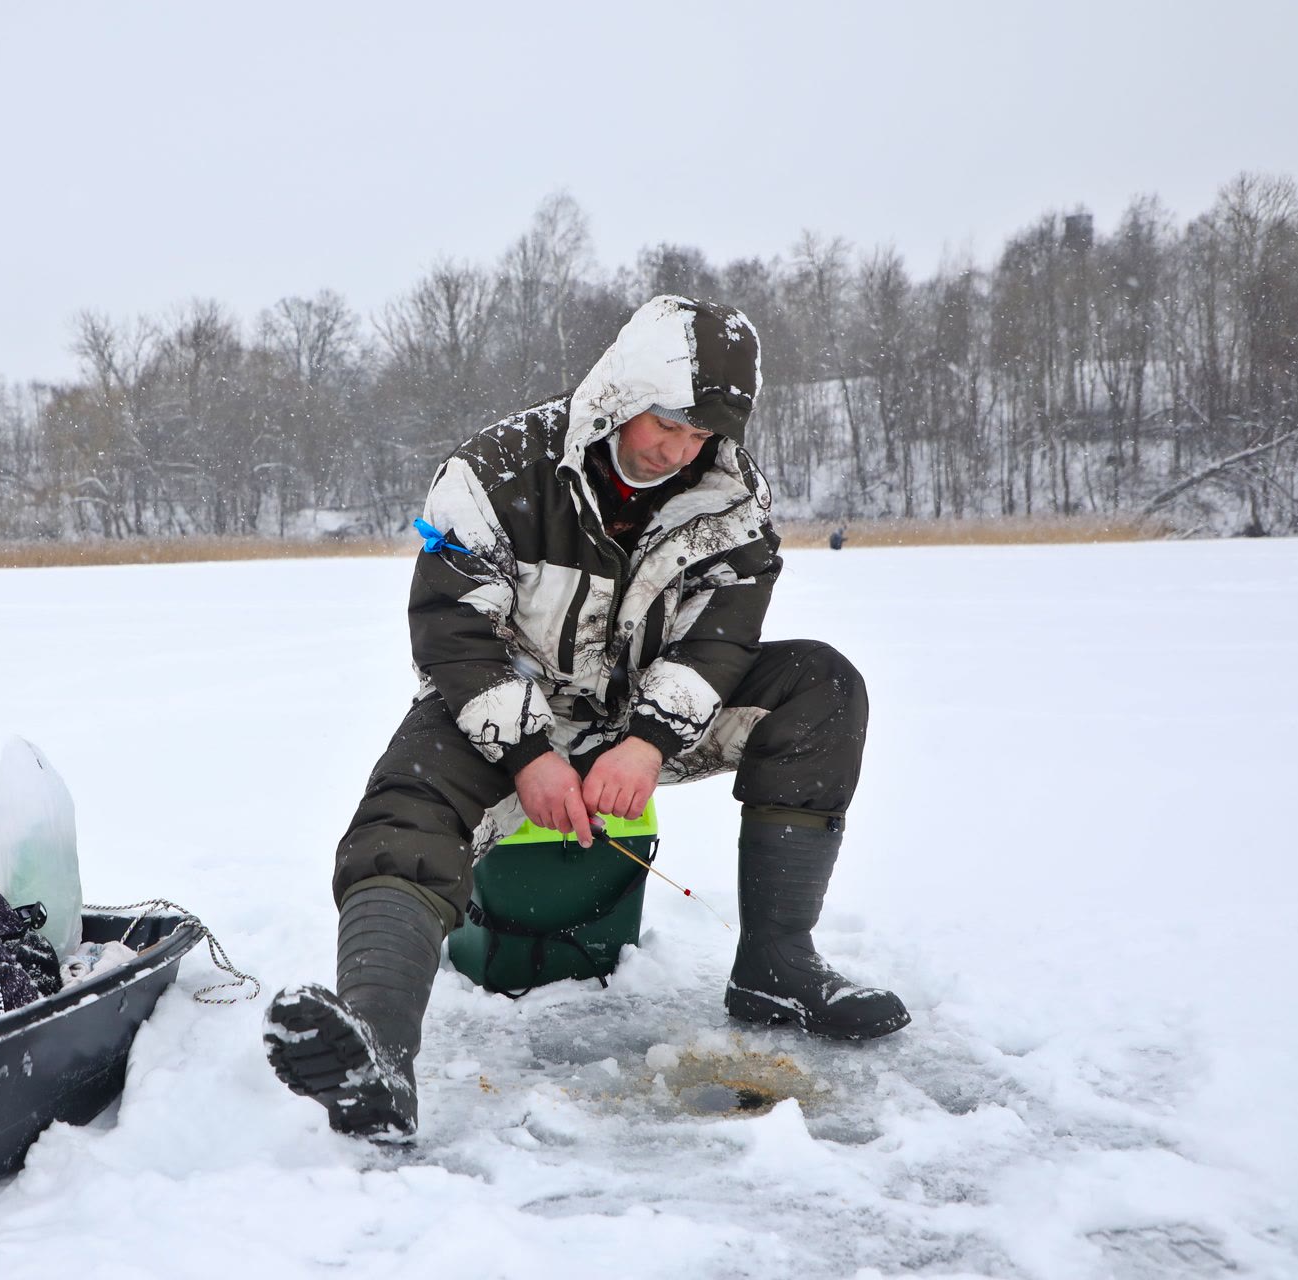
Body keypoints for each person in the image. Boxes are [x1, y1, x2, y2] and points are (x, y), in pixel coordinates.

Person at [265, 295, 908, 1140]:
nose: (677, 452)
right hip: (511, 709)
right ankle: (380, 1054)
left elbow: (722, 641)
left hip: (657, 712)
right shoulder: (495, 472)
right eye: (667, 425)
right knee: (406, 802)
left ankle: (777, 966)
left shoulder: (733, 500)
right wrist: (530, 753)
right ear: (621, 395)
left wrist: (647, 743)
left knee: (822, 684)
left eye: (700, 438)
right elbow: (456, 633)